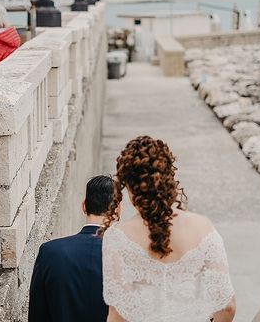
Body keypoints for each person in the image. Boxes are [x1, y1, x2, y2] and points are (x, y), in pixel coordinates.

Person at [100, 136, 236, 322]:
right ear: (169, 180)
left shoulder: (117, 237)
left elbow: (117, 315)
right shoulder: (202, 227)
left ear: (129, 188)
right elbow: (227, 306)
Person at [29, 175, 119, 322]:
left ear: (84, 206)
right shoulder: (126, 258)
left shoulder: (49, 252)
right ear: (116, 212)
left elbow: (37, 315)